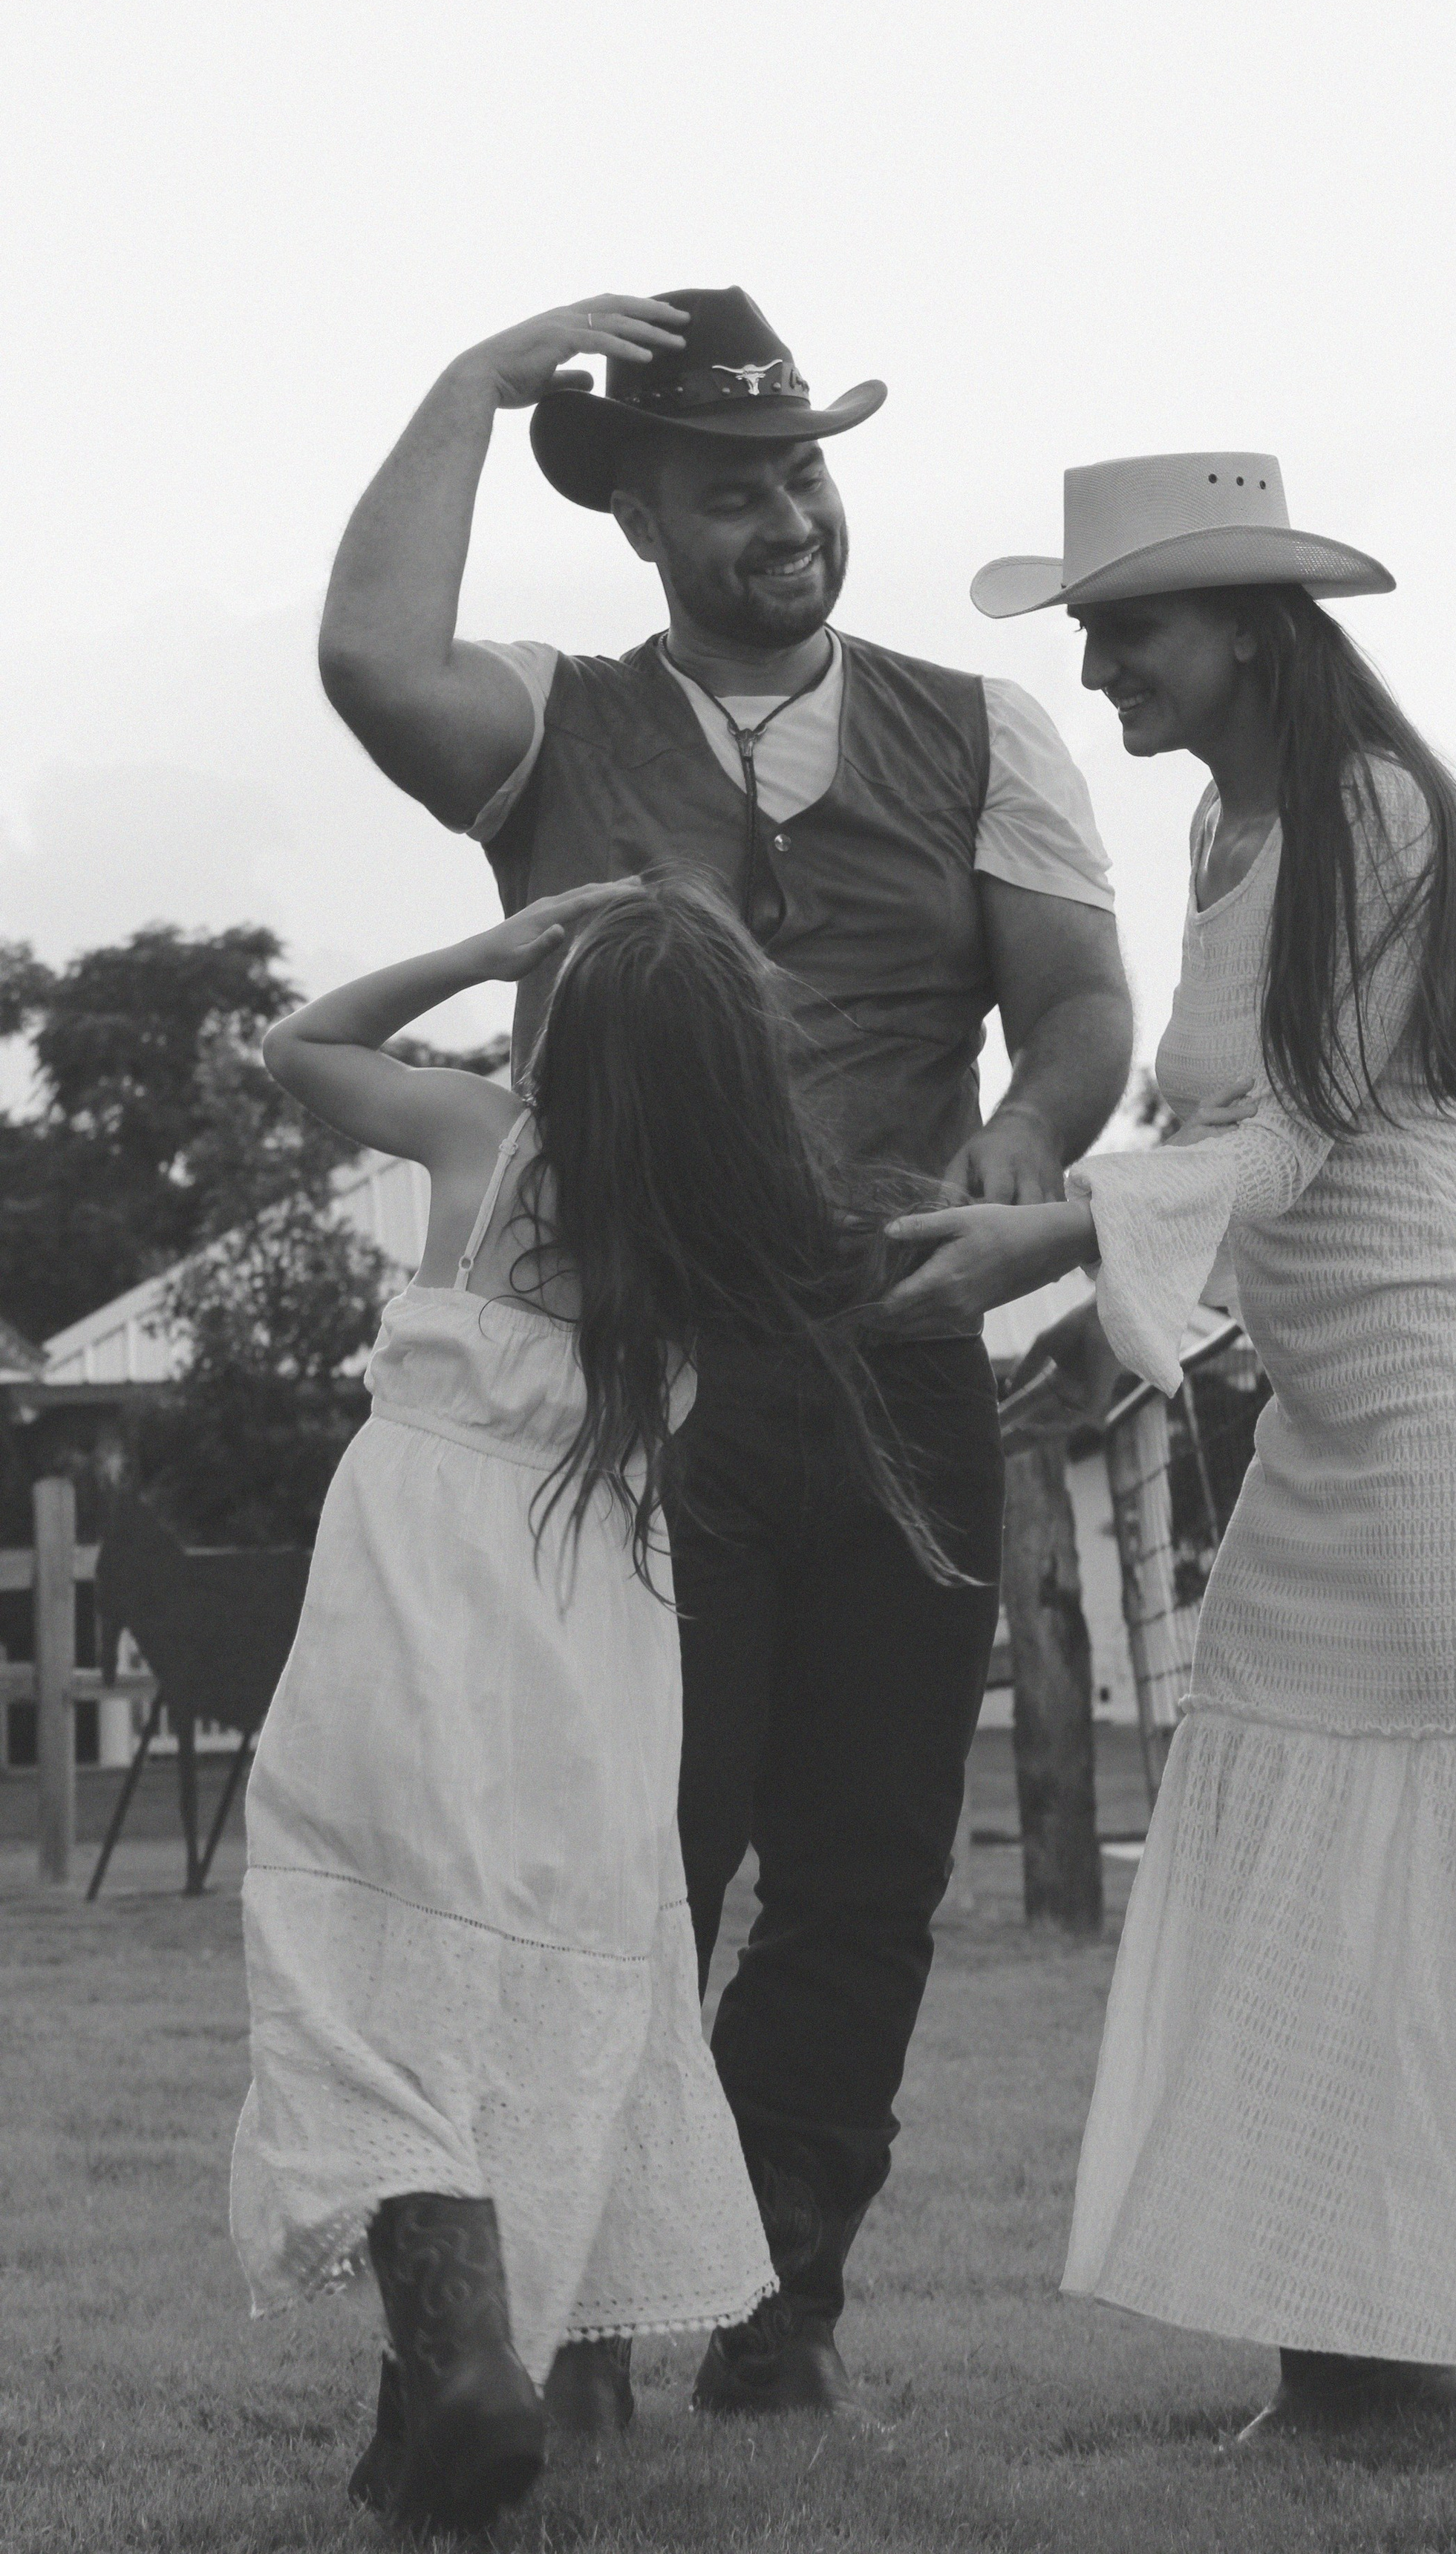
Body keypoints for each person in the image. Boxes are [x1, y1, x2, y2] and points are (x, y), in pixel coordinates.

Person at [315, 287, 1132, 2420]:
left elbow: (1073, 1007)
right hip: (634, 1392)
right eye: (737, 486)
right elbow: (366, 662)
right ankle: (574, 2303)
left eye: (806, 472)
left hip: (899, 1366)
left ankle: (777, 2304)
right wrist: (482, 383)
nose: (789, 514)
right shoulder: (543, 722)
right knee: (631, 1856)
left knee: (864, 1876)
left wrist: (1028, 1145)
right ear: (648, 519)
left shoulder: (984, 726)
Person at [876, 455, 1456, 2457]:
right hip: (1345, 1397)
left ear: (1242, 624)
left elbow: (1296, 1142)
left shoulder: (1372, 814)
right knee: (1317, 1841)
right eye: (1084, 628)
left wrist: (1053, 1236)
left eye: (1122, 623)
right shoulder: (1231, 825)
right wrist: (1063, 1275)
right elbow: (1218, 1152)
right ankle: (1362, 2336)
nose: (1097, 661)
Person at [232, 874, 979, 2532]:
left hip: (412, 1605)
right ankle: (426, 2416)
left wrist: (488, 950)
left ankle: (465, 2374)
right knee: (519, 2005)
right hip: (596, 1649)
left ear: (557, 1031)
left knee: (359, 1972)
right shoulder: (741, 1237)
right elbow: (924, 1281)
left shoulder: (480, 1138)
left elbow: (299, 1042)